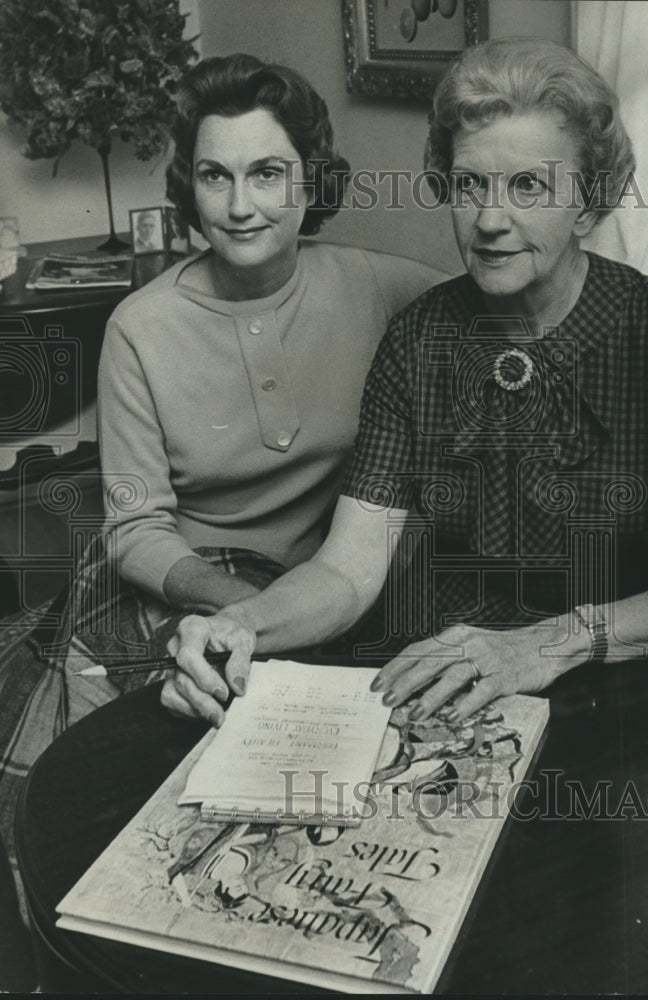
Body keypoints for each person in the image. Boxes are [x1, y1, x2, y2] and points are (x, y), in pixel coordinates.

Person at [162, 37, 648, 728]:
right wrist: (241, 623)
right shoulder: (419, 339)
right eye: (469, 184)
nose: (490, 220)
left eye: (528, 186)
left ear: (590, 205)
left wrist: (549, 643)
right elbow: (349, 571)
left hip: (616, 702)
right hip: (443, 689)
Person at [0, 53, 443, 898]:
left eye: (268, 174)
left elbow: (500, 310)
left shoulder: (381, 286)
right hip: (175, 581)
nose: (240, 207)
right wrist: (231, 607)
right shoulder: (139, 327)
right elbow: (133, 526)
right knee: (75, 788)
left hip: (322, 589)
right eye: (216, 176)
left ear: (311, 182)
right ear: (188, 188)